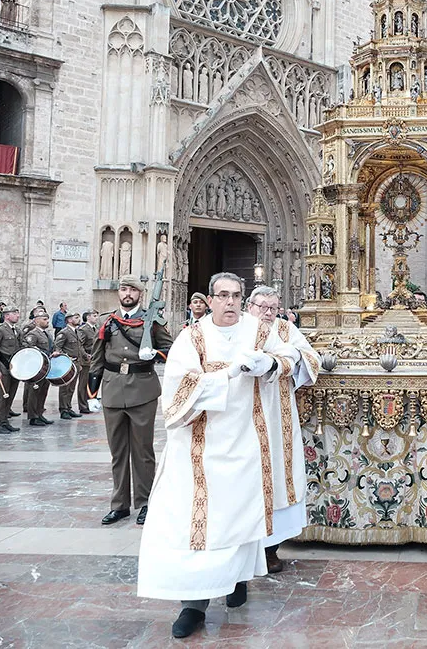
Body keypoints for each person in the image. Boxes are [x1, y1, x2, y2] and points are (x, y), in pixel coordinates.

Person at [137, 272, 297, 639]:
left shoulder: (258, 329)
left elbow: (288, 356)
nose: (230, 303)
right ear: (209, 300)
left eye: (236, 296)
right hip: (200, 447)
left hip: (246, 444)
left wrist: (268, 365)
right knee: (201, 527)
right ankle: (193, 606)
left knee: (239, 521)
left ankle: (236, 579)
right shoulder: (191, 337)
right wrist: (224, 376)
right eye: (222, 296)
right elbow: (177, 390)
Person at [244, 286, 319, 578]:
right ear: (249, 306)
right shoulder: (238, 329)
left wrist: (286, 360)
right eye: (261, 306)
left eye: (273, 308)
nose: (266, 312)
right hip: (243, 417)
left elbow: (310, 357)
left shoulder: (286, 330)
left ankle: (271, 549)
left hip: (277, 416)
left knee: (276, 474)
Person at [89, 274, 173, 526]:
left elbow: (173, 352)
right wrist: (91, 393)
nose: (127, 294)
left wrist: (155, 353)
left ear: (140, 294)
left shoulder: (153, 320)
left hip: (142, 391)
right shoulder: (107, 321)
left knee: (142, 451)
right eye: (123, 289)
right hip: (113, 390)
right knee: (118, 452)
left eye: (132, 290)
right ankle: (120, 505)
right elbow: (97, 358)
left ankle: (146, 502)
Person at [0, 306, 24, 434]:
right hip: (3, 368)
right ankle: (0, 423)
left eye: (17, 313)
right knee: (2, 396)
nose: (17, 316)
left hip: (14, 368)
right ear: (7, 316)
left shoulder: (17, 330)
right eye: (14, 313)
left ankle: (5, 421)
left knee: (11, 394)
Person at [22, 309, 54, 426]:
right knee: (34, 392)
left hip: (46, 366)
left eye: (47, 319)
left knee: (43, 391)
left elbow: (52, 347)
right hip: (36, 367)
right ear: (36, 321)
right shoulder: (33, 334)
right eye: (44, 319)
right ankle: (33, 416)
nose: (47, 322)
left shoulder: (48, 334)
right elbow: (27, 347)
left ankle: (40, 413)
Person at [52, 312, 86, 420]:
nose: (78, 319)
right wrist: (65, 357)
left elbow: (79, 347)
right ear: (69, 320)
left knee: (71, 388)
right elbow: (57, 347)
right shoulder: (64, 332)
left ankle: (68, 407)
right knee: (65, 388)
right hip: (67, 364)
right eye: (76, 318)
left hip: (76, 363)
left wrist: (85, 357)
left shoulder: (76, 332)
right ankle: (63, 409)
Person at [76, 311, 99, 414]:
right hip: (86, 360)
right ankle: (82, 405)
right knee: (83, 384)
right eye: (94, 316)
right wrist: (85, 355)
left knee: (92, 382)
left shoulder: (95, 329)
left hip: (95, 359)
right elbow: (79, 344)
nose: (96, 318)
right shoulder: (83, 329)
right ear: (88, 317)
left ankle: (89, 402)